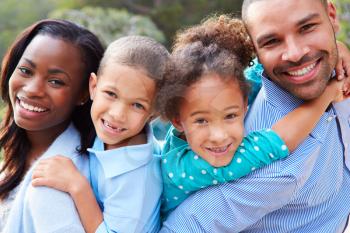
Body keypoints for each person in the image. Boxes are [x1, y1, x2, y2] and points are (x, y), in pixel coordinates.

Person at [160, 0, 350, 232]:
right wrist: (329, 92)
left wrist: (339, 49)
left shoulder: (245, 83)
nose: (296, 53)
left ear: (331, 16)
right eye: (272, 41)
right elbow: (186, 225)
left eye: (307, 27)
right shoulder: (274, 170)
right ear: (257, 48)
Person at [31, 36, 169, 233]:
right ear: (93, 87)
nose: (117, 115)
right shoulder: (108, 134)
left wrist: (77, 186)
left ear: (153, 114)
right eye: (111, 94)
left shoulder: (136, 177)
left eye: (137, 105)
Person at [0, 19, 104, 232]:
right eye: (26, 70)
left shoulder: (64, 179)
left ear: (85, 93)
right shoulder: (16, 157)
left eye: (56, 81)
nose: (32, 89)